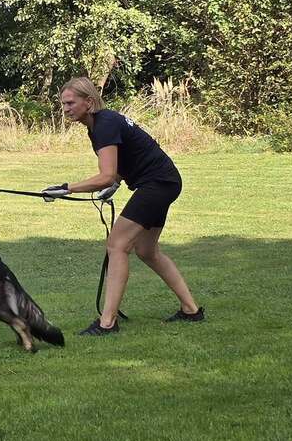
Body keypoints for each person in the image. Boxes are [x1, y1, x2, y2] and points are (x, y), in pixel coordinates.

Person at [41, 77, 203, 336]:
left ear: (89, 102)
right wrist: (114, 184)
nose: (66, 108)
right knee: (147, 251)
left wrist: (66, 188)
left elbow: (105, 175)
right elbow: (122, 163)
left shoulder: (104, 125)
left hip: (157, 184)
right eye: (63, 104)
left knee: (117, 245)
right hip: (163, 182)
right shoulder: (100, 124)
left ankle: (107, 323)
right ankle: (191, 310)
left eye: (70, 103)